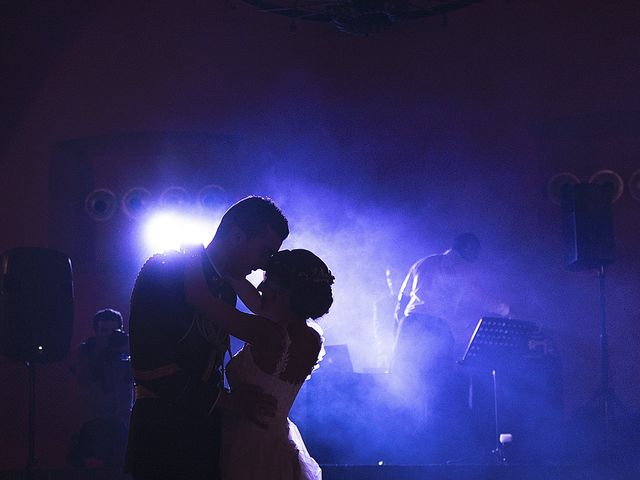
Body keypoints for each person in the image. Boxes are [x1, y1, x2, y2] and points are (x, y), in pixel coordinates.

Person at [124, 196, 289, 480]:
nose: (263, 265)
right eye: (263, 252)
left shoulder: (224, 287)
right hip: (161, 435)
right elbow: (150, 366)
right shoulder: (166, 269)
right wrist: (230, 401)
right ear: (237, 236)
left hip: (205, 434)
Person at [184, 248, 334, 480]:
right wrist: (234, 274)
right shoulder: (311, 338)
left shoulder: (265, 332)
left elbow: (199, 298)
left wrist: (192, 255)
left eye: (268, 283)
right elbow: (263, 307)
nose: (261, 289)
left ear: (284, 293)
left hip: (246, 441)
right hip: (275, 440)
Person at [388, 233, 508, 462]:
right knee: (437, 388)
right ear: (469, 250)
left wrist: (398, 333)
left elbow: (401, 302)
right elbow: (481, 297)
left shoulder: (423, 262)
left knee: (408, 385)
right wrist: (506, 310)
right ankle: (434, 450)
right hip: (434, 327)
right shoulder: (463, 268)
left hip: (410, 324)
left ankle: (404, 450)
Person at [67, 308, 132, 470]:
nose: (109, 335)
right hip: (93, 418)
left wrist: (129, 348)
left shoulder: (126, 349)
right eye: (104, 331)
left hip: (122, 418)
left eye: (114, 331)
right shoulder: (86, 351)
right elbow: (82, 378)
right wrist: (99, 351)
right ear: (96, 332)